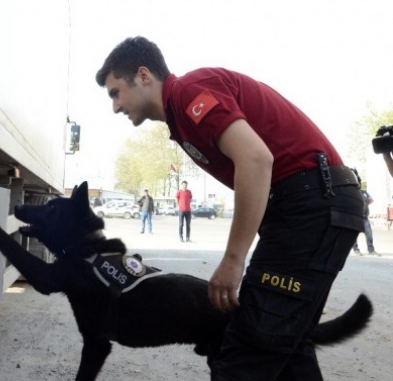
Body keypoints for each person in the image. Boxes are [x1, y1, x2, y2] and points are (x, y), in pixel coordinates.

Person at [95, 36, 363, 380]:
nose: (115, 107)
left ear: (144, 76)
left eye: (116, 92)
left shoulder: (190, 92)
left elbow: (255, 158)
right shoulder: (181, 115)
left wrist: (234, 260)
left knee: (246, 350)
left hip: (311, 205)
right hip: (313, 206)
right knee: (287, 348)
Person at [351, 170, 381, 257]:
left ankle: (371, 250)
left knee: (369, 234)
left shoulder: (364, 192)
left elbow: (371, 200)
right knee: (353, 236)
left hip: (364, 218)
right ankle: (356, 250)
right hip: (355, 217)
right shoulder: (352, 193)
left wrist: (366, 203)